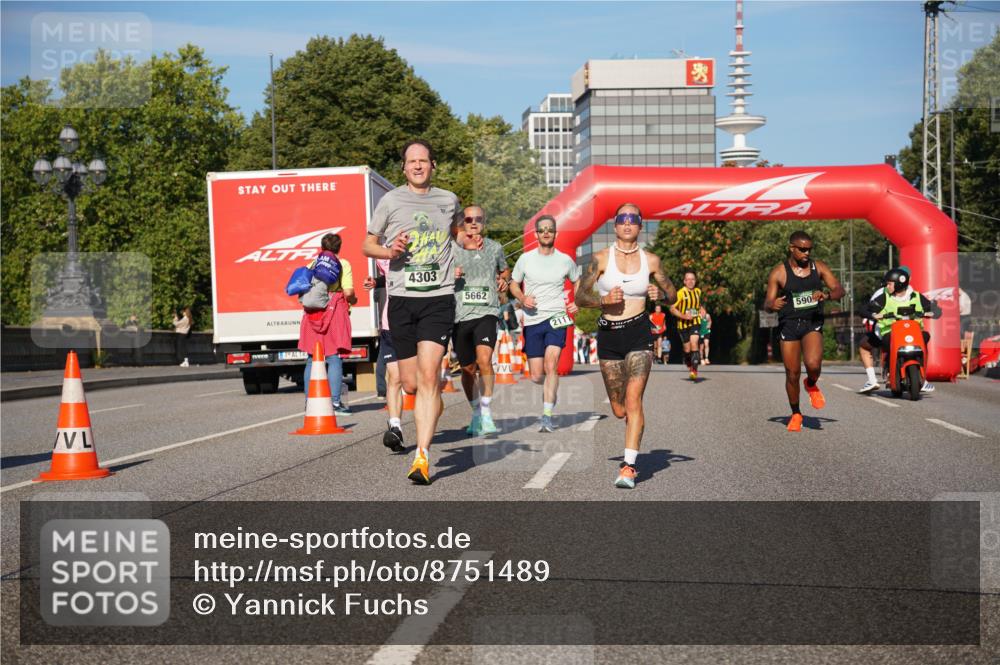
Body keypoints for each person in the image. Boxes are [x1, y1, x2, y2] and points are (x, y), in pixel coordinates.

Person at [362, 139, 465, 485]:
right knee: (409, 384)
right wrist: (390, 251)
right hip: (403, 300)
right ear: (404, 168)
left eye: (424, 161)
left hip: (438, 298)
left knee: (428, 376)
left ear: (433, 165)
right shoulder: (390, 201)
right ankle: (426, 405)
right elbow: (367, 243)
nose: (418, 166)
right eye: (412, 161)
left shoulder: (449, 200)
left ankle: (422, 456)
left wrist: (463, 258)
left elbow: (458, 233)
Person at [575, 203, 676, 488]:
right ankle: (628, 428)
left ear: (640, 225)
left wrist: (662, 294)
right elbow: (580, 296)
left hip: (639, 334)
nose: (628, 223)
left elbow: (673, 296)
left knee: (634, 400)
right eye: (622, 219)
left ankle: (629, 466)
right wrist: (602, 301)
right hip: (609, 335)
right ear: (615, 225)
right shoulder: (600, 259)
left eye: (633, 219)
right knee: (619, 409)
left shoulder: (652, 261)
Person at [764, 230, 845, 432]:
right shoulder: (779, 273)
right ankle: (796, 413)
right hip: (789, 324)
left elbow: (839, 289)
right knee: (792, 373)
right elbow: (767, 302)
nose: (806, 253)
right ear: (791, 248)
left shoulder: (819, 268)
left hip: (812, 322)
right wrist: (772, 305)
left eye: (809, 249)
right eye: (802, 249)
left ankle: (811, 383)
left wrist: (826, 295)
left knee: (813, 364)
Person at [508, 215, 581, 433]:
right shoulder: (525, 259)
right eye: (542, 230)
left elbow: (578, 281)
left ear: (556, 234)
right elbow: (513, 284)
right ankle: (550, 390)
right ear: (536, 234)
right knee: (537, 375)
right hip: (532, 319)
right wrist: (522, 299)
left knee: (552, 365)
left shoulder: (565, 260)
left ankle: (547, 415)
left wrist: (575, 301)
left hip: (557, 317)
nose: (546, 233)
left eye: (550, 229)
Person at [452, 205, 510, 436]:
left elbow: (505, 271)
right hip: (459, 315)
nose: (473, 223)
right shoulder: (452, 250)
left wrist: (504, 281)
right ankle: (475, 413)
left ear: (484, 223)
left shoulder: (495, 248)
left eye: (478, 219)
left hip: (487, 312)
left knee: (484, 360)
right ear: (462, 223)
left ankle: (486, 413)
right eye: (468, 219)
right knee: (467, 368)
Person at [858, 267, 941, 394]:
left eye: (890, 283)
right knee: (871, 344)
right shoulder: (884, 296)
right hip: (890, 334)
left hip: (913, 334)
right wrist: (873, 315)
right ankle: (874, 379)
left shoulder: (917, 296)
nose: (887, 286)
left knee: (925, 337)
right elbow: (864, 310)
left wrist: (932, 312)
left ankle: (923, 378)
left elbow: (936, 310)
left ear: (899, 283)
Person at [299, 233, 354, 416]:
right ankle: (335, 403)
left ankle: (310, 402)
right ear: (339, 247)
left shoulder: (313, 264)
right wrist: (353, 299)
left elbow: (302, 286)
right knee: (334, 357)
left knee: (311, 358)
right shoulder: (342, 264)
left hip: (312, 313)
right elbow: (348, 291)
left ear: (322, 248)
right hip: (333, 312)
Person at [364, 258, 406, 452]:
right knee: (395, 378)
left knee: (414, 384)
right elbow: (389, 275)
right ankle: (395, 426)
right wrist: (376, 282)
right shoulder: (381, 253)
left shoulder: (417, 247)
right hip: (389, 324)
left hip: (413, 323)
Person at [669, 270, 706, 379]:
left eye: (692, 279)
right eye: (688, 279)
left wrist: (702, 309)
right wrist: (684, 316)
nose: (690, 281)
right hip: (682, 325)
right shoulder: (680, 293)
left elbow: (698, 305)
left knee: (694, 343)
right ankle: (689, 362)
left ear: (695, 281)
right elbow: (672, 309)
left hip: (695, 323)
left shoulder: (698, 292)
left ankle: (694, 371)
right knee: (687, 350)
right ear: (684, 281)